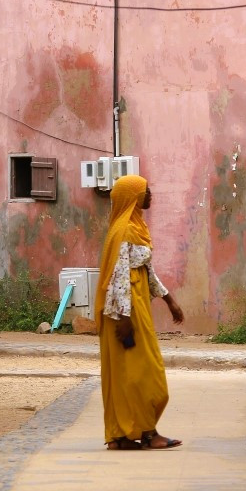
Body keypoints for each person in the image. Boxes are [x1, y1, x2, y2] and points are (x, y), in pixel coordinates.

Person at [96, 174, 185, 450]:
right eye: (146, 191)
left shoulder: (135, 228)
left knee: (133, 372)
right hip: (126, 312)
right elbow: (119, 275)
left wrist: (169, 300)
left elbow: (145, 270)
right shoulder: (124, 231)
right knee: (143, 372)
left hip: (135, 306)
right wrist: (124, 318)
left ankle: (123, 436)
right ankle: (145, 433)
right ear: (133, 197)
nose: (150, 195)